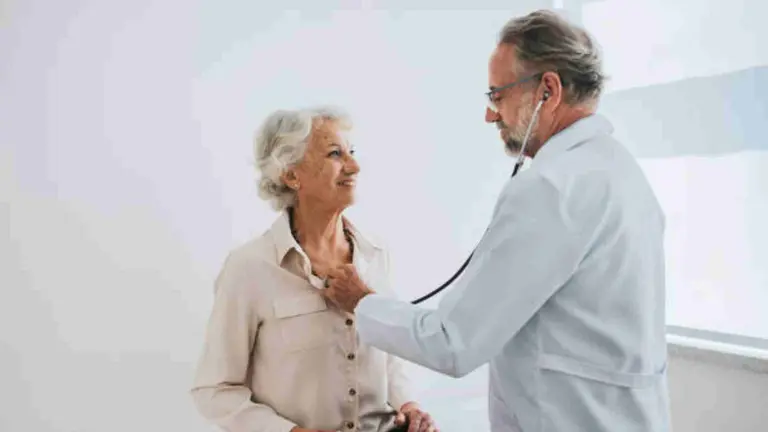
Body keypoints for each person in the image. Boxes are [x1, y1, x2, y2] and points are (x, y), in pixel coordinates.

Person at [321, 10, 671, 432]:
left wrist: (362, 302)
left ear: (548, 90)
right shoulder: (621, 170)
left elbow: (453, 343)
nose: (491, 115)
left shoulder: (550, 188)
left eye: (497, 95)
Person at [190, 107, 438, 432]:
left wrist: (409, 405)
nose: (354, 166)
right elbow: (215, 391)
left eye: (352, 152)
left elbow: (389, 356)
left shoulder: (376, 254)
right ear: (291, 175)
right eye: (335, 154)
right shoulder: (248, 269)